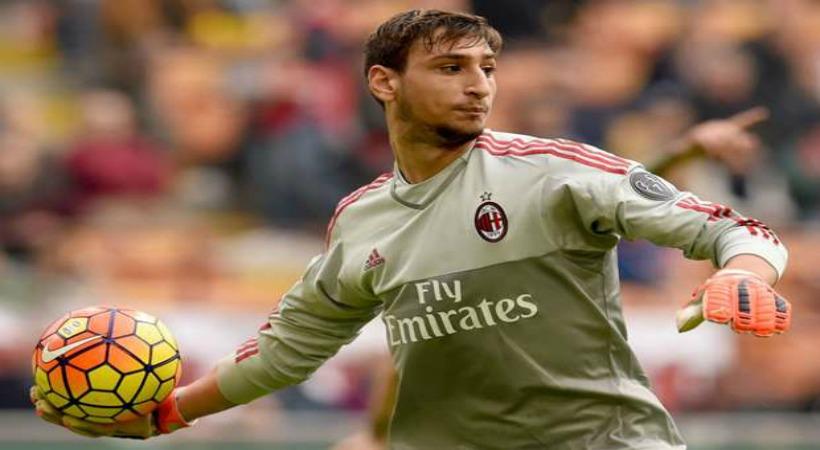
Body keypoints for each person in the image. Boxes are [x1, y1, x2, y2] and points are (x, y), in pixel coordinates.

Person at [32, 10, 791, 450]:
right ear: (383, 82)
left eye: (487, 68)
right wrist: (168, 415)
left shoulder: (553, 170)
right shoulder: (362, 220)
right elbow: (287, 349)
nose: (479, 86)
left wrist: (742, 273)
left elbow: (732, 228)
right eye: (452, 68)